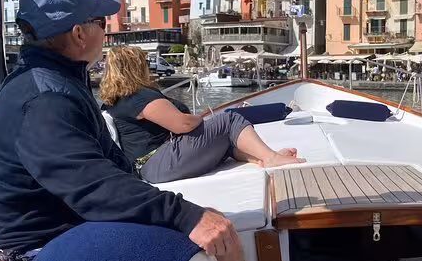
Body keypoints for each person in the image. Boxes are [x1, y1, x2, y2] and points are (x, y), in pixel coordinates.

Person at [0, 0, 323, 261]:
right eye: (100, 23)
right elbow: (90, 185)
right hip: (49, 248)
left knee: (216, 224)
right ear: (78, 33)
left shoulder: (55, 81)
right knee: (213, 232)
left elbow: (103, 169)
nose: (105, 31)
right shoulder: (44, 99)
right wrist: (183, 215)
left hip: (73, 225)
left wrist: (172, 208)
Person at [101, 45, 302, 184]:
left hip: (153, 166)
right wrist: (199, 118)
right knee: (229, 119)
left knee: (225, 138)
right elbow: (182, 125)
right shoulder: (137, 96)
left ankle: (259, 158)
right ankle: (271, 157)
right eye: (143, 62)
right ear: (135, 67)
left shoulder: (117, 99)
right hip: (159, 163)